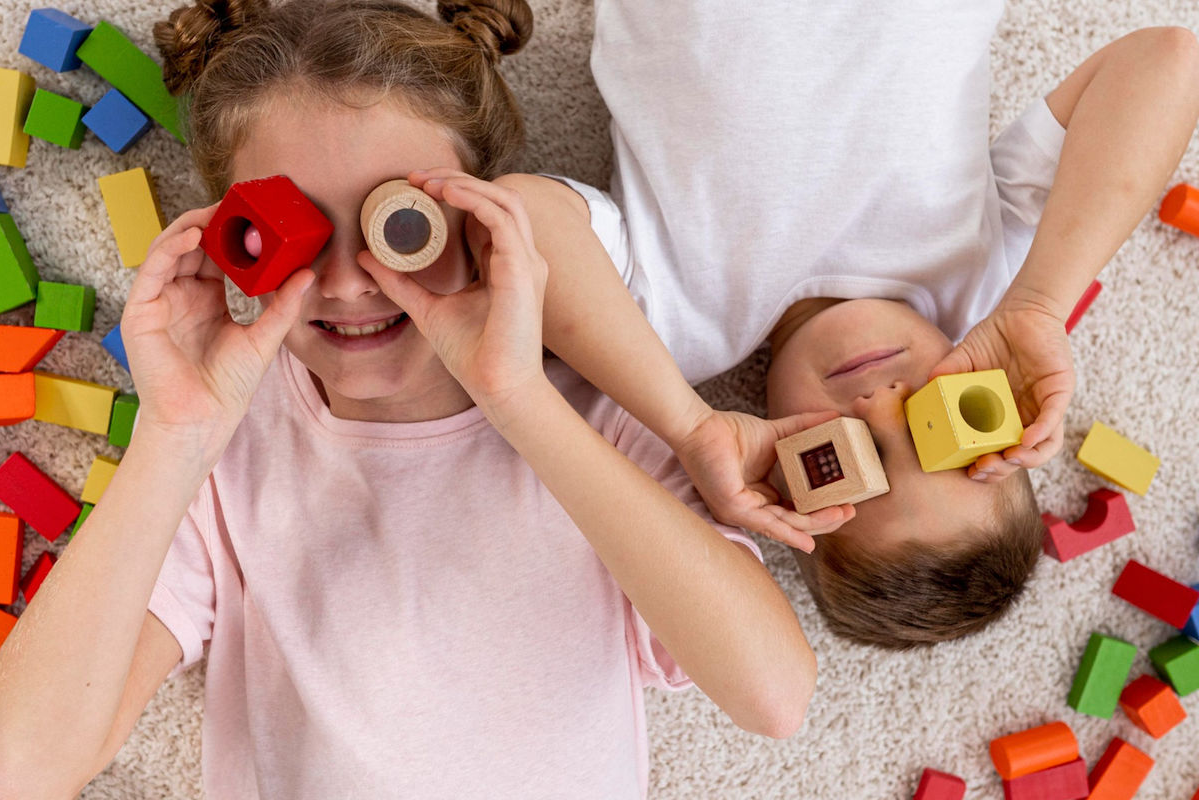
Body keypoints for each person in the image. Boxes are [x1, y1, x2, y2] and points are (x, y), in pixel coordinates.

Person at [0, 2, 827, 797]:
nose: (351, 281)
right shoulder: (221, 453)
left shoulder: (594, 426)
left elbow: (773, 697)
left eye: (401, 225)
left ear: (479, 217)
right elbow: (22, 769)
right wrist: (175, 433)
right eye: (293, 233)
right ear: (229, 239)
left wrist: (517, 398)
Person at [406, 2, 1199, 647]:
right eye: (937, 427)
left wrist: (686, 425)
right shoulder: (986, 296)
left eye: (851, 459)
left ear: (784, 475)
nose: (880, 405)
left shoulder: (679, 327)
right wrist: (1041, 304)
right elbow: (1166, 60)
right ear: (995, 409)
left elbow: (520, 220)